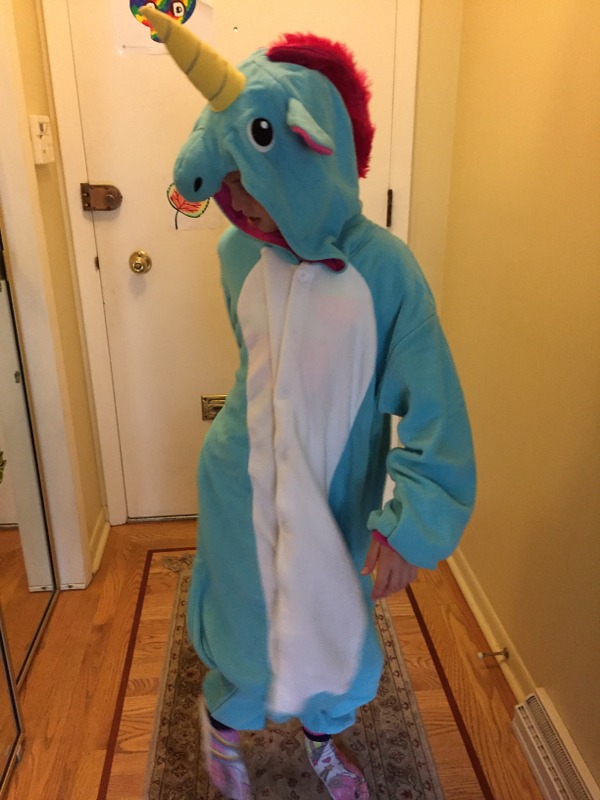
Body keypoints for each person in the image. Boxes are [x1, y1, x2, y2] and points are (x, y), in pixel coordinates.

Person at [140, 7, 476, 800]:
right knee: (245, 629)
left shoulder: (386, 272)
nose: (240, 201)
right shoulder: (237, 252)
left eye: (253, 180)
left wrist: (412, 525)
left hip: (336, 494)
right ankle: (223, 725)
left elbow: (435, 406)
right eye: (227, 182)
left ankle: (325, 740)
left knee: (336, 639)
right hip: (240, 478)